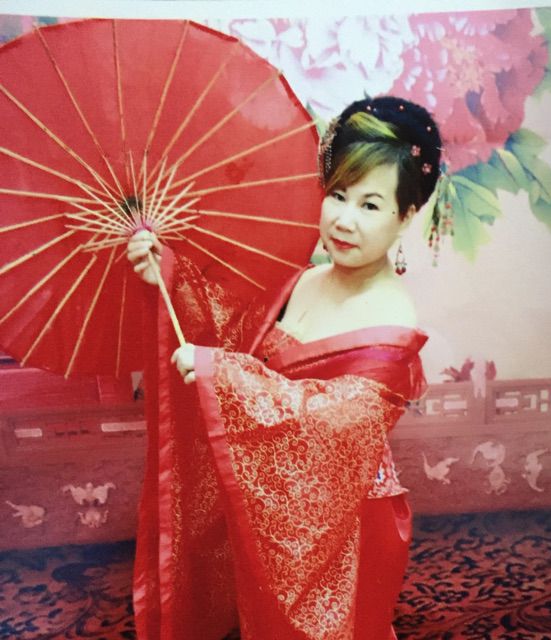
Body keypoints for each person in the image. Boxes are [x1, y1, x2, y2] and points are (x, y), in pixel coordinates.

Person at [127, 96, 442, 640]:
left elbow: (330, 421)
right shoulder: (308, 277)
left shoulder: (393, 322)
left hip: (339, 522)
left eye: (370, 205)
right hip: (276, 500)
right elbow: (244, 339)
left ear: (406, 215)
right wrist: (170, 280)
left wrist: (223, 376)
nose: (344, 220)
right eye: (337, 195)